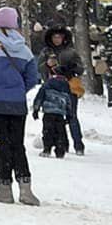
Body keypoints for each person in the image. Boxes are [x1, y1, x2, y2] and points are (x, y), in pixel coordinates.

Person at [0, 5, 43, 205]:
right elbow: (32, 78)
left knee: (0, 145)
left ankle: (4, 188)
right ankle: (26, 188)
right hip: (16, 104)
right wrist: (16, 91)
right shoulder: (25, 49)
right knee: (17, 144)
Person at [39, 24, 87, 155]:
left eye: (59, 37)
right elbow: (40, 69)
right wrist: (47, 65)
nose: (57, 39)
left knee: (72, 116)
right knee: (54, 118)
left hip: (69, 87)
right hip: (52, 89)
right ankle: (60, 144)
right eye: (54, 37)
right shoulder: (46, 52)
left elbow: (80, 69)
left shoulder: (71, 52)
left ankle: (78, 145)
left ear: (64, 38)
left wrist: (70, 68)